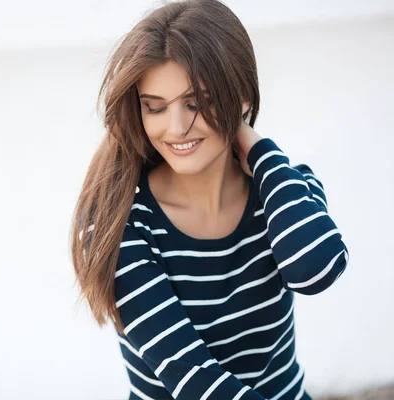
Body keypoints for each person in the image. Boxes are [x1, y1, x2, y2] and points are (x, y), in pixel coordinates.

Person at [69, 0, 349, 399]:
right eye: (155, 107)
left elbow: (315, 271)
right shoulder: (117, 220)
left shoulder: (285, 188)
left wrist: (260, 151)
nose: (177, 127)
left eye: (197, 102)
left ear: (242, 98)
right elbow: (192, 380)